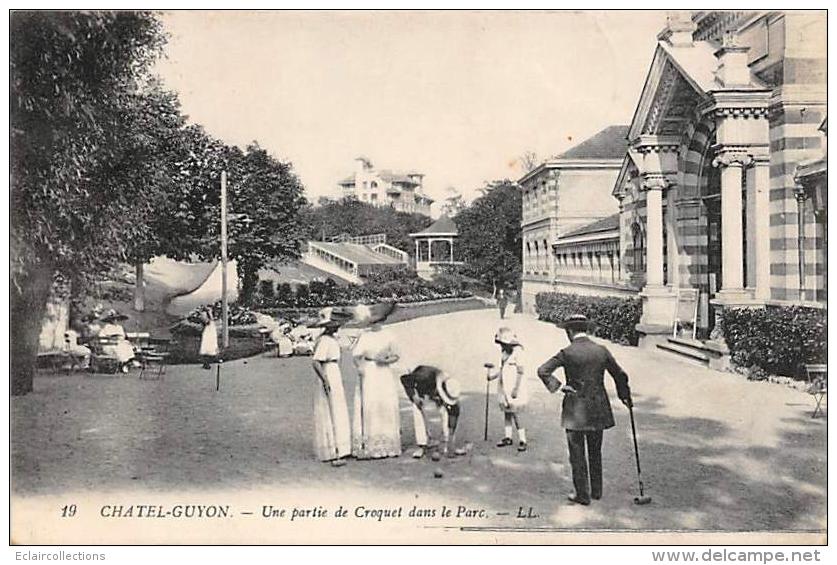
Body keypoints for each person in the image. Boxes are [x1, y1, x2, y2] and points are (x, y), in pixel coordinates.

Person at [537, 314, 632, 506]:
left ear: (570, 331)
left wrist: (559, 386)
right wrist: (625, 396)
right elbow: (620, 375)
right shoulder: (601, 350)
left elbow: (543, 370)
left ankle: (582, 494)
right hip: (598, 408)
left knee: (577, 452)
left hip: (575, 408)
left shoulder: (566, 352)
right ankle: (597, 490)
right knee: (595, 450)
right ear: (586, 329)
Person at [351, 308, 402, 459]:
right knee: (370, 403)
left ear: (382, 321)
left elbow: (396, 355)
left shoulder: (389, 335)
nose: (374, 324)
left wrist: (386, 360)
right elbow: (356, 356)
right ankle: (370, 444)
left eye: (377, 321)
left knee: (385, 403)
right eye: (372, 322)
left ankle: (387, 444)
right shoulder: (364, 336)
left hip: (384, 372)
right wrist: (360, 367)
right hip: (369, 371)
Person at [310, 308, 352, 467]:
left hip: (334, 372)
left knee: (338, 407)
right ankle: (334, 449)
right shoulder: (325, 341)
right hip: (328, 372)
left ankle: (342, 447)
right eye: (335, 324)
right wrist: (325, 380)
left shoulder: (331, 339)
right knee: (332, 408)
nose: (338, 327)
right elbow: (315, 362)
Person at [400, 365, 466, 459]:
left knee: (445, 412)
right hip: (421, 391)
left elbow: (453, 415)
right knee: (417, 410)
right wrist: (414, 396)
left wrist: (451, 440)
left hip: (434, 393)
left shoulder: (451, 388)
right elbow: (405, 379)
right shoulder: (424, 376)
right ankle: (422, 445)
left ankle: (447, 443)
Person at [487, 327, 529, 452]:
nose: (501, 346)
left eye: (503, 344)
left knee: (515, 413)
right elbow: (501, 370)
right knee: (507, 412)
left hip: (513, 386)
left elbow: (520, 372)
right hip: (503, 386)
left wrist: (516, 388)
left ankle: (522, 440)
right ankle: (508, 437)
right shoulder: (504, 353)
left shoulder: (518, 353)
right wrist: (492, 377)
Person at [98, 309, 136, 373]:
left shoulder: (120, 327)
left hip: (120, 343)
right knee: (119, 347)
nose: (115, 320)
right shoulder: (107, 327)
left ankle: (126, 362)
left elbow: (123, 336)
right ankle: (123, 362)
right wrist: (110, 338)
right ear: (109, 320)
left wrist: (121, 338)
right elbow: (102, 337)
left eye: (116, 319)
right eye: (113, 319)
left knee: (126, 345)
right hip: (110, 345)